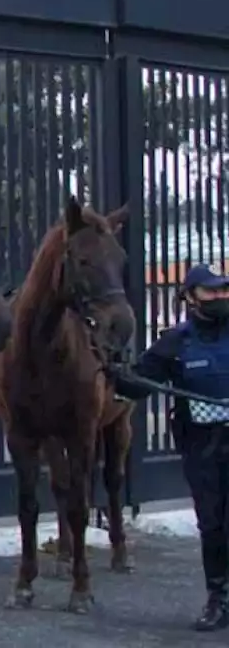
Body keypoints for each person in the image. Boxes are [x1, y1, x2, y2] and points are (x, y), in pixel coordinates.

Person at [113, 263, 229, 632]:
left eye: (224, 290)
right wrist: (117, 372)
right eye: (211, 291)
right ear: (190, 298)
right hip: (204, 447)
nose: (220, 297)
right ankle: (219, 599)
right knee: (213, 526)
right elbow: (139, 382)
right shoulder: (176, 342)